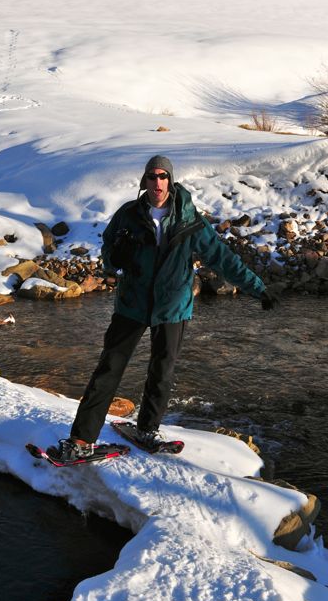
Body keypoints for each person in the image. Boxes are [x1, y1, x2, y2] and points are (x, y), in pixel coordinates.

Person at [54, 155, 277, 461]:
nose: (157, 182)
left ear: (170, 181)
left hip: (172, 307)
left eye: (162, 176)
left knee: (162, 372)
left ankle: (147, 429)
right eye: (152, 176)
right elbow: (107, 248)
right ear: (144, 181)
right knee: (108, 370)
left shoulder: (189, 220)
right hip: (132, 305)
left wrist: (258, 289)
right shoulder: (128, 215)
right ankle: (81, 439)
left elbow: (222, 258)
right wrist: (115, 259)